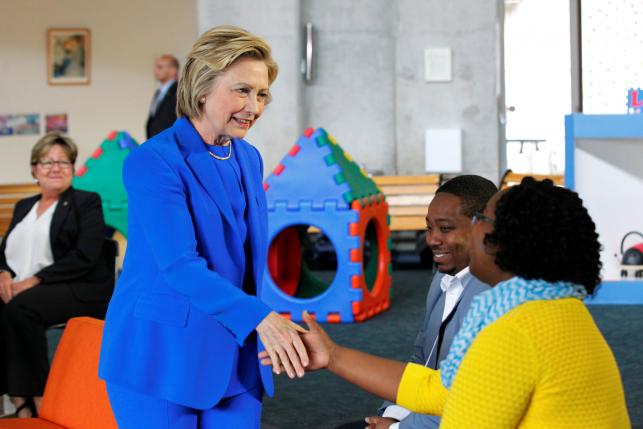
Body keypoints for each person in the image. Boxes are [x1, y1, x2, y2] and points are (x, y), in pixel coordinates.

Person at [264, 178, 631, 428]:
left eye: (482, 220)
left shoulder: (512, 331)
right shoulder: (557, 308)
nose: (471, 231)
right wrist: (333, 355)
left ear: (506, 241)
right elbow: (442, 389)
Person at [99, 25, 309, 429]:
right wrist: (262, 318)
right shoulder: (154, 161)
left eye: (262, 93)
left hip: (236, 351)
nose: (255, 105)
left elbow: (245, 262)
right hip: (161, 355)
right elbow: (180, 266)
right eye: (242, 90)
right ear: (201, 87)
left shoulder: (248, 157)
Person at [337, 175, 495, 429]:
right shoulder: (441, 280)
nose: (432, 239)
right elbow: (421, 358)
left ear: (480, 229)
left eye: (445, 229)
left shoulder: (494, 300)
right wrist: (394, 414)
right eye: (429, 228)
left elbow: (472, 404)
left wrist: (399, 427)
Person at [0, 133, 113, 418]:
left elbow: (84, 255)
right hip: (24, 287)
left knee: (21, 309)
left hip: (76, 286)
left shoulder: (86, 202)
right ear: (34, 169)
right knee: (11, 306)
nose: (56, 167)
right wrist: (3, 273)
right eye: (47, 162)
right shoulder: (24, 206)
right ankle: (14, 393)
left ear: (73, 169)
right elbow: (5, 249)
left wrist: (32, 281)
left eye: (64, 162)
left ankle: (33, 398)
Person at [146, 54, 179, 139]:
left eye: (160, 67)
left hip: (169, 143)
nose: (155, 71)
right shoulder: (158, 92)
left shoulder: (179, 92)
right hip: (155, 142)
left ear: (173, 70)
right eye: (156, 67)